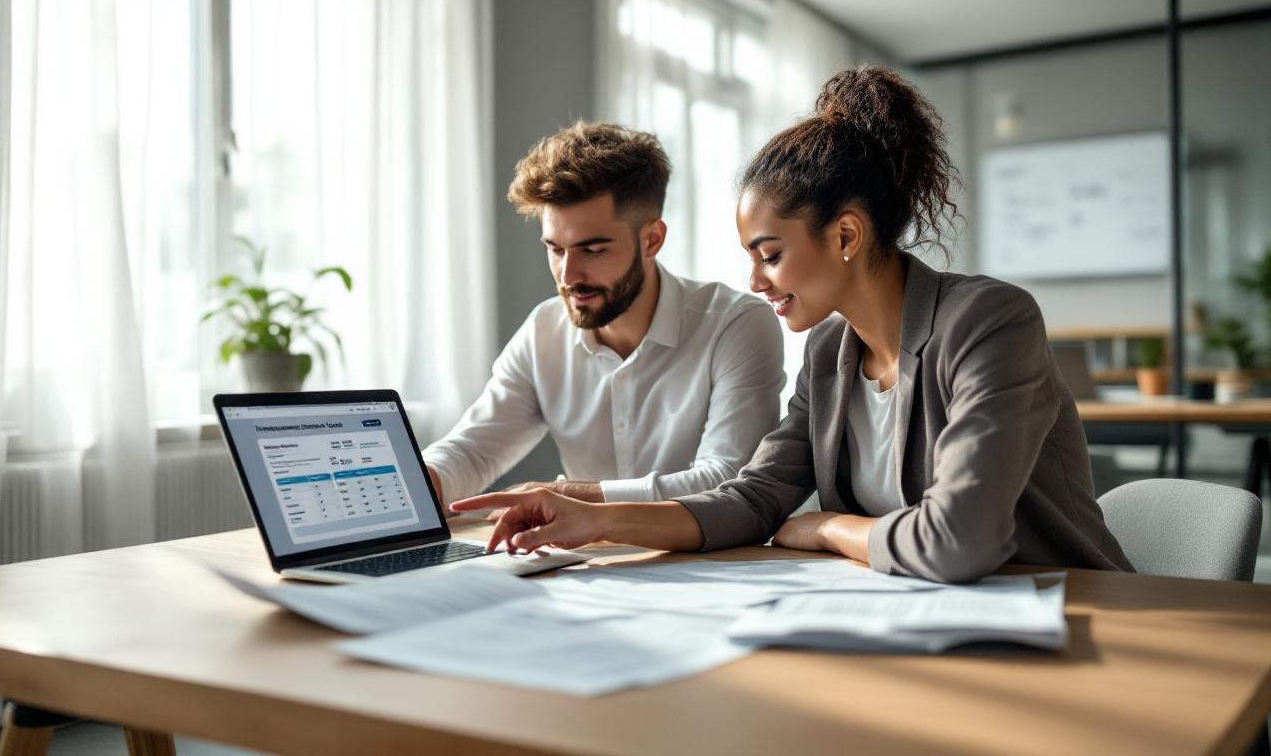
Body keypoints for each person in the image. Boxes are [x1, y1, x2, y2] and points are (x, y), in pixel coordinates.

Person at [452, 66, 1133, 583]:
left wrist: (831, 528)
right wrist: (595, 520)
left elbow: (960, 541)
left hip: (1074, 615)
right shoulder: (832, 350)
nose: (755, 281)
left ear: (845, 235)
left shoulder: (988, 321)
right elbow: (754, 497)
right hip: (927, 621)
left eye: (770, 255)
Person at [422, 121, 785, 510]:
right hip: (585, 564)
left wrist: (574, 497)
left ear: (652, 239)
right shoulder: (543, 332)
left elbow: (726, 478)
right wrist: (411, 481)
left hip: (715, 564)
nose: (568, 276)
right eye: (555, 249)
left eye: (592, 250)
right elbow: (474, 450)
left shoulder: (735, 325)